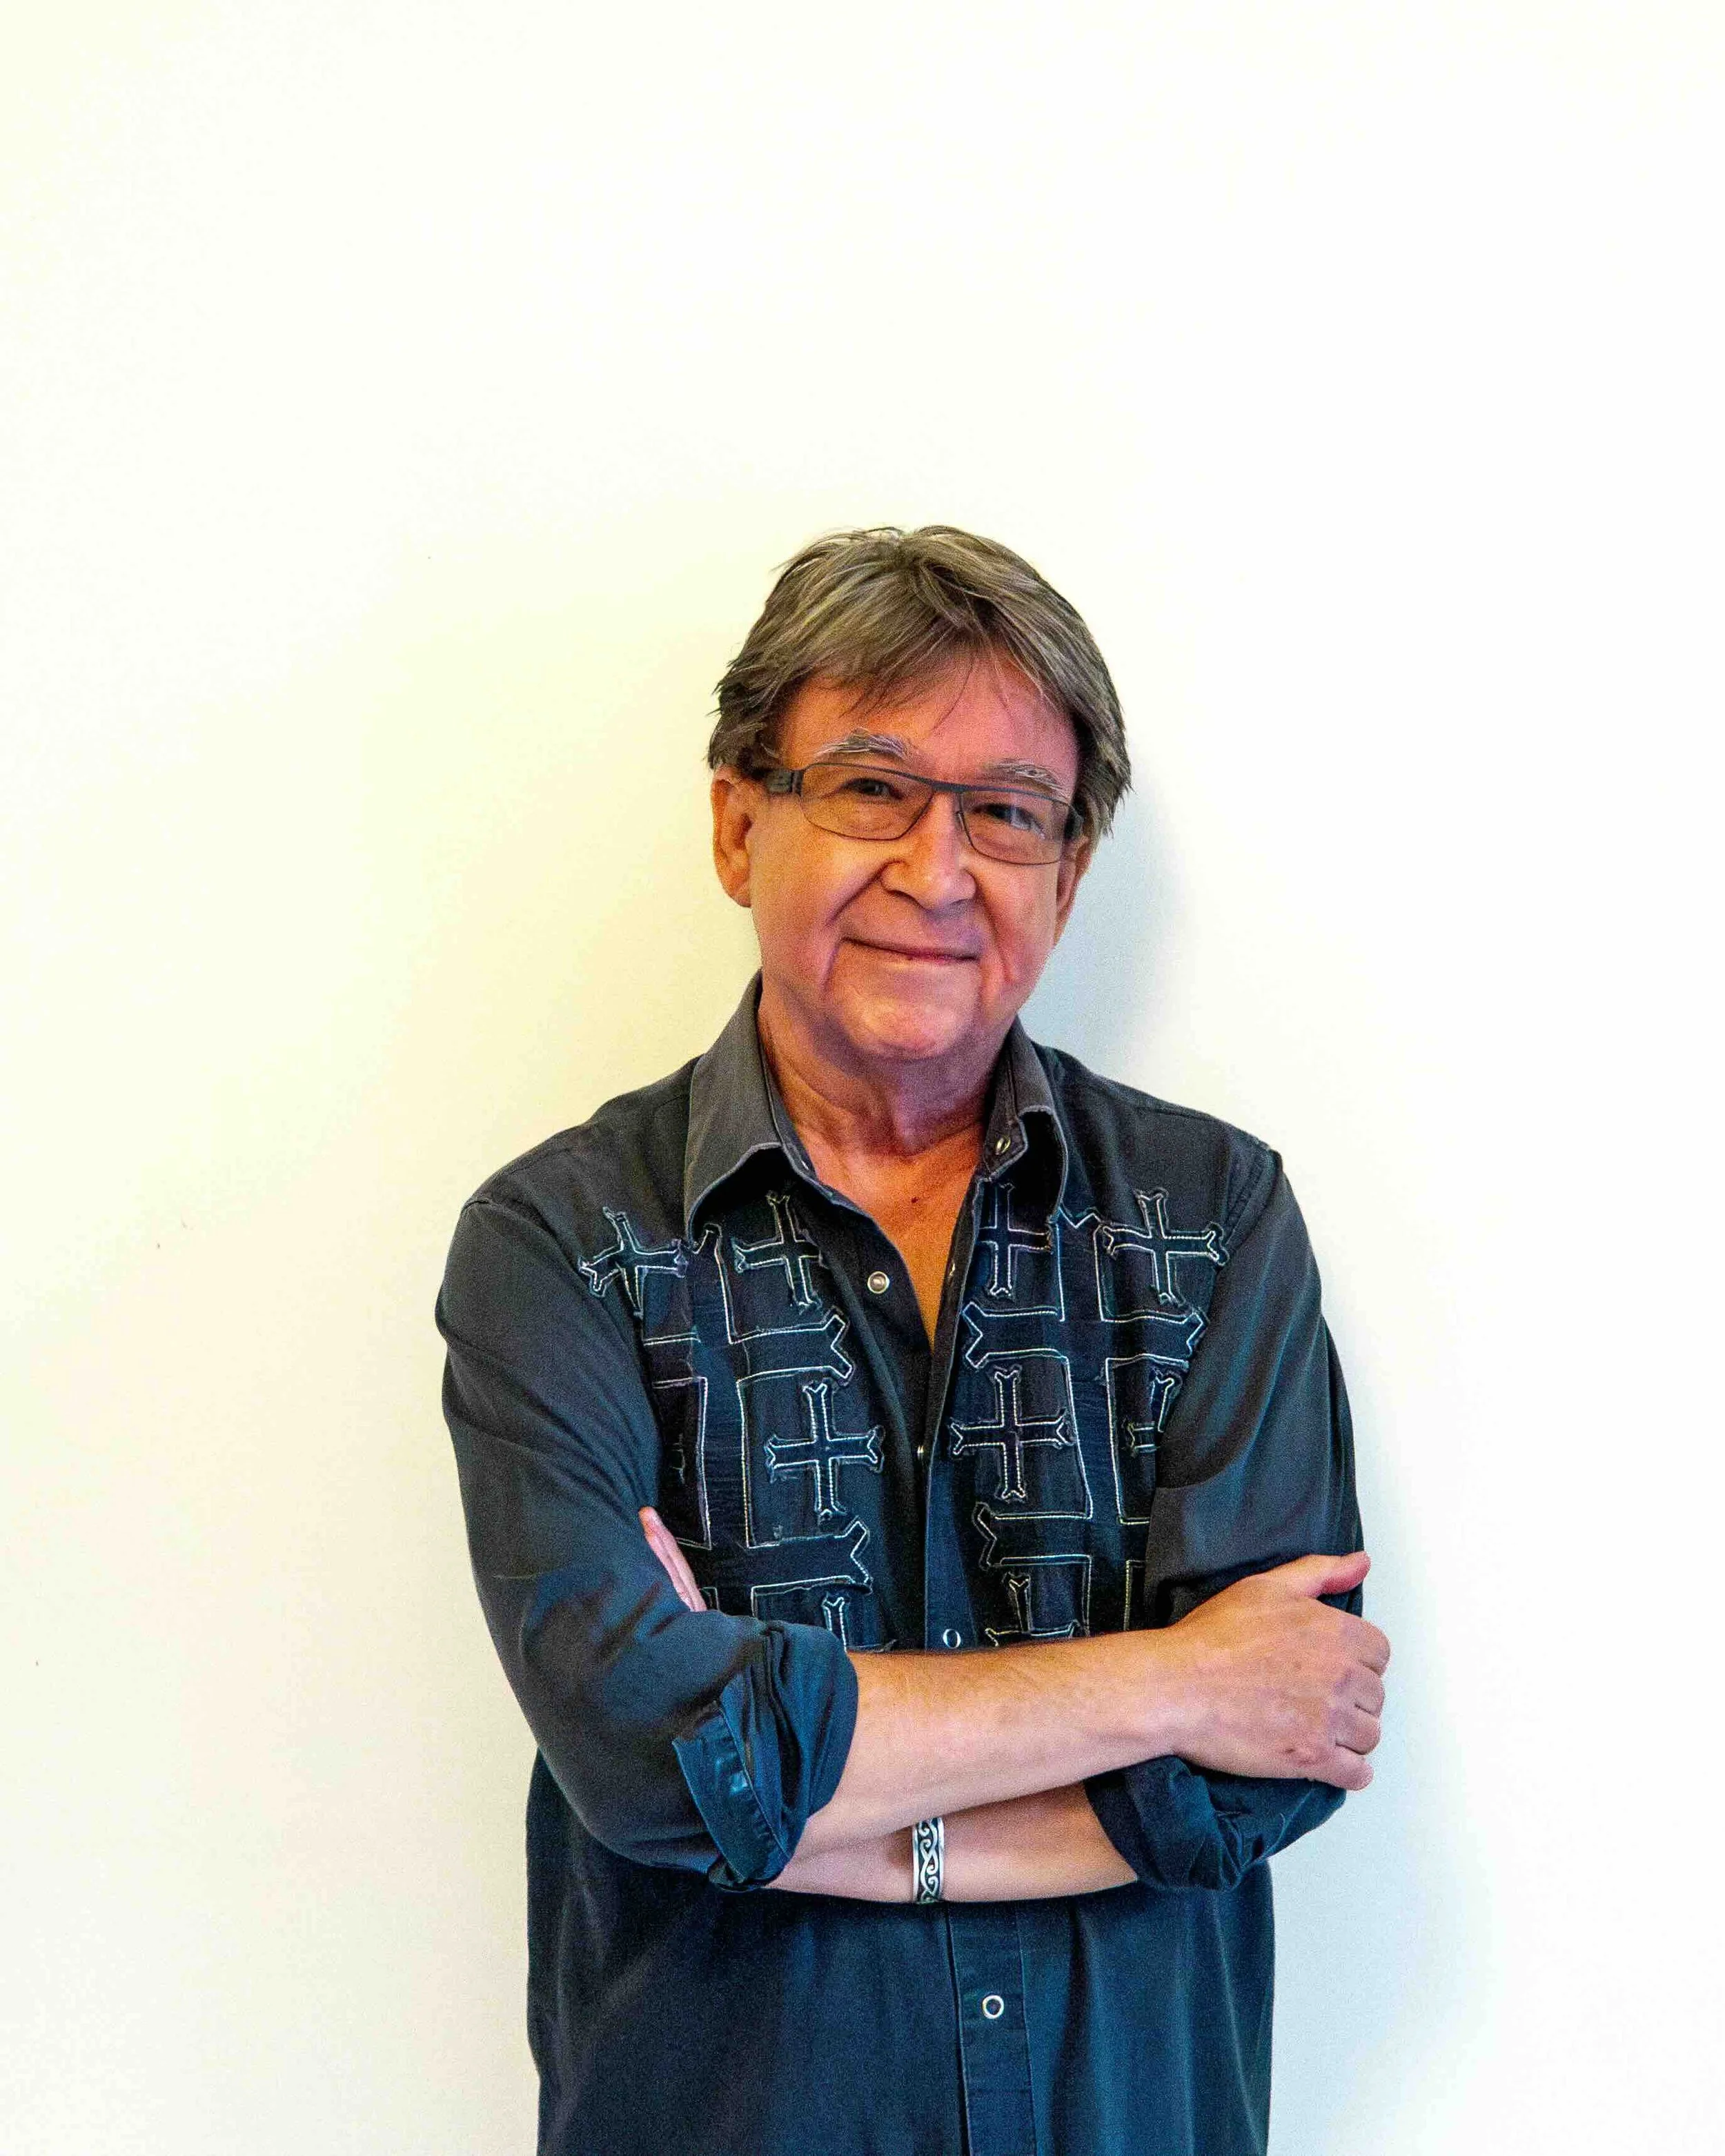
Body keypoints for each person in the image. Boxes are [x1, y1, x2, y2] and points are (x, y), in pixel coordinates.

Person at [436, 525, 1389, 2156]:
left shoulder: (1209, 1218)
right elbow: (650, 1759)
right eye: (872, 789)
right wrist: (1170, 1679)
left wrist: (814, 1810)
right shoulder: (567, 1245)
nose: (938, 871)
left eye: (1007, 813)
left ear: (1067, 874)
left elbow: (1261, 1772)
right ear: (739, 824)